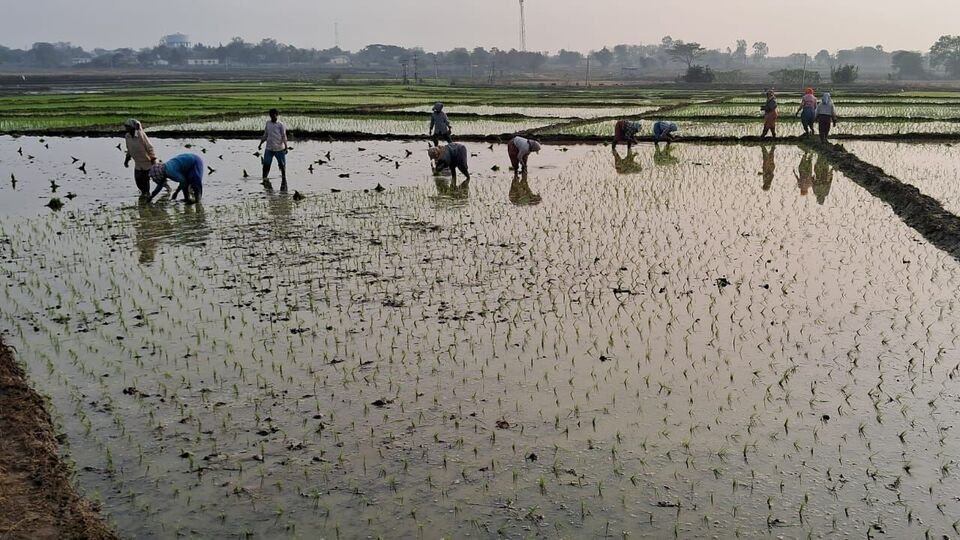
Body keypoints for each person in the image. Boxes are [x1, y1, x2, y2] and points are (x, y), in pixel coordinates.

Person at [123, 119, 158, 198]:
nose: (126, 128)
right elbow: (129, 149)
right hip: (138, 163)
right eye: (126, 127)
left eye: (128, 127)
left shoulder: (140, 135)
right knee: (138, 180)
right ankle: (144, 193)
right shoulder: (127, 136)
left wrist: (153, 159)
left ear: (133, 127)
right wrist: (126, 160)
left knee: (148, 179)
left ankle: (147, 194)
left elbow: (149, 147)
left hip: (147, 162)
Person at [258, 109, 289, 190]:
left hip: (279, 148)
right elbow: (266, 134)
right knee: (266, 165)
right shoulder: (268, 123)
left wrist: (286, 147)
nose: (272, 117)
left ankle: (284, 181)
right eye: (271, 115)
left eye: (274, 115)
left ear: (277, 115)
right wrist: (261, 143)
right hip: (269, 148)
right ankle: (264, 179)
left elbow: (284, 136)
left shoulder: (280, 125)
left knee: (282, 165)